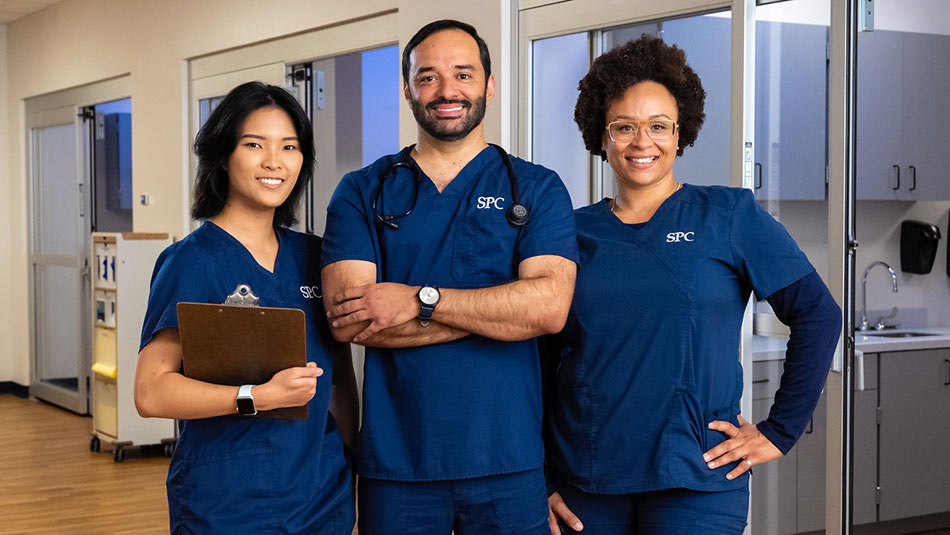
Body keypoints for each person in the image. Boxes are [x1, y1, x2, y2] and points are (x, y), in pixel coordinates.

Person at [542, 35, 842, 534]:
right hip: (583, 480)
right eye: (624, 127)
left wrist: (779, 431)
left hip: (697, 480)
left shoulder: (728, 215)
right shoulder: (568, 232)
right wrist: (540, 476)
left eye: (659, 126)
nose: (643, 142)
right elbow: (539, 359)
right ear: (601, 135)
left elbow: (818, 313)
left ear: (681, 134)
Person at [320, 19, 579, 535]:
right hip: (398, 466)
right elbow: (351, 322)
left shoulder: (536, 187)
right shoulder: (362, 191)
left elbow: (548, 310)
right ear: (408, 88)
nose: (447, 91)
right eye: (429, 77)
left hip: (509, 460)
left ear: (488, 84)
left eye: (463, 74)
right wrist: (504, 312)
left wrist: (419, 300)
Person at [133, 81, 357, 534]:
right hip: (227, 499)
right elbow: (151, 392)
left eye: (289, 147)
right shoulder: (192, 262)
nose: (274, 161)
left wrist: (354, 466)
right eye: (255, 144)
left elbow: (340, 380)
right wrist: (256, 397)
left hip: (320, 494)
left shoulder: (316, 257)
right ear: (223, 154)